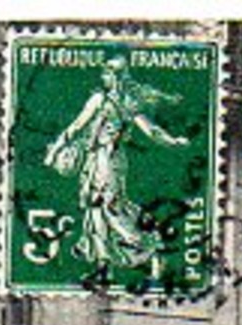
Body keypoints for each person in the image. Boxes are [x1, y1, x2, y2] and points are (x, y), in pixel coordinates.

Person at [43, 56, 189, 269]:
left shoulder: (102, 100)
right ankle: (102, 258)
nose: (104, 77)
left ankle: (143, 244)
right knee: (98, 206)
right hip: (106, 160)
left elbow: (76, 127)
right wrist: (173, 142)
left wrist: (54, 152)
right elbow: (152, 131)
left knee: (107, 206)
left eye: (107, 73)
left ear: (113, 77)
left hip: (105, 159)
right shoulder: (128, 102)